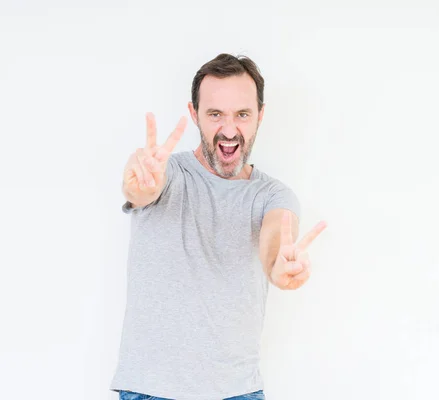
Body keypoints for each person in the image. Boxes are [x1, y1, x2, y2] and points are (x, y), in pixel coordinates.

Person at [109, 53, 327, 400]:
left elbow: (276, 239)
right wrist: (140, 186)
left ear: (260, 115)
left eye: (242, 114)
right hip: (150, 391)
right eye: (215, 114)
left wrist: (281, 265)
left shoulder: (273, 195)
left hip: (237, 393)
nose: (229, 130)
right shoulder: (166, 174)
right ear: (194, 114)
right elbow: (140, 189)